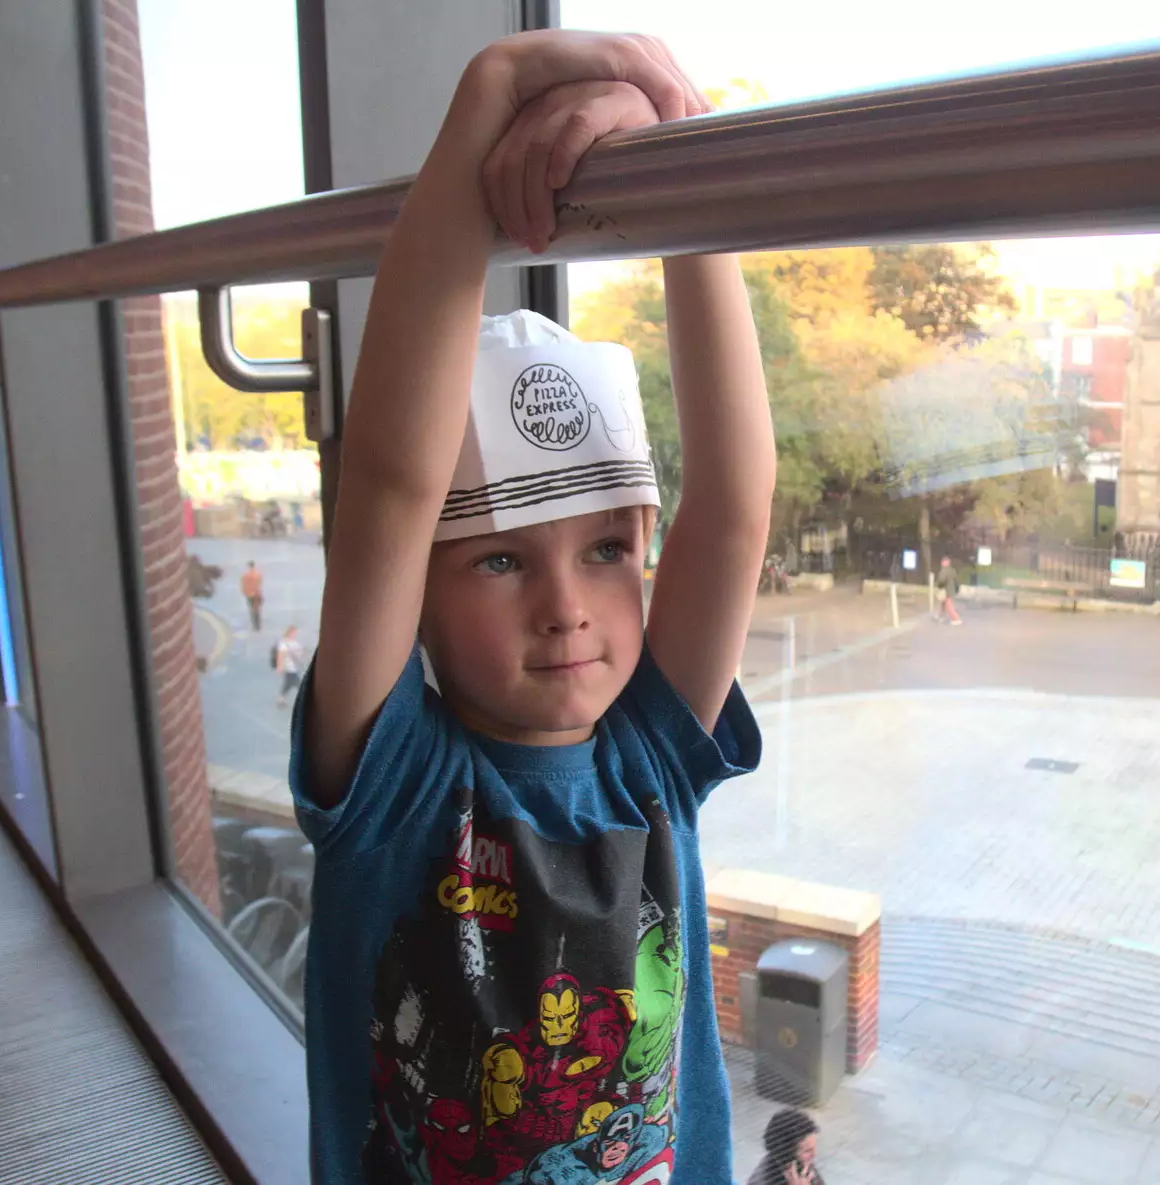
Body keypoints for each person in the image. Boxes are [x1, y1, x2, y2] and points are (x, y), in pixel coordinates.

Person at [290, 32, 772, 1185]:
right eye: (500, 563)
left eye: (607, 550)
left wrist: (676, 147)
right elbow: (392, 486)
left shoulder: (655, 751)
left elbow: (735, 502)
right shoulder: (391, 776)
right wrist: (488, 103)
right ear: (418, 592)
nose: (568, 608)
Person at [747, 1109, 824, 1185]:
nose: (814, 1154)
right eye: (807, 1151)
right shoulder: (761, 1181)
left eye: (813, 1148)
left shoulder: (803, 1167)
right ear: (788, 1156)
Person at [274, 625, 304, 709]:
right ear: (289, 633)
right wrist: (280, 666)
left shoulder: (295, 643)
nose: (295, 635)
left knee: (288, 684)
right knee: (298, 683)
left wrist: (299, 654)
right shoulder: (284, 643)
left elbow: (300, 655)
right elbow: (280, 655)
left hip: (294, 667)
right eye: (294, 633)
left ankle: (281, 699)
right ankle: (303, 700)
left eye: (295, 633)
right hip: (288, 667)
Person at [935, 555, 962, 625]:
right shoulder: (952, 570)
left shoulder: (944, 570)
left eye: (943, 562)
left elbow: (941, 580)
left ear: (944, 562)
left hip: (946, 590)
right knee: (943, 604)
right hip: (951, 590)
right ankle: (941, 616)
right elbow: (956, 581)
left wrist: (939, 585)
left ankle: (956, 619)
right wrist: (956, 589)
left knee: (949, 605)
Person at [240, 560, 264, 631]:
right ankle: (258, 625)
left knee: (251, 609)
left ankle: (254, 624)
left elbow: (243, 585)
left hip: (249, 594)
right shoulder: (257, 574)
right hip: (257, 594)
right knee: (257, 609)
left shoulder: (245, 576)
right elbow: (260, 583)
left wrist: (245, 592)